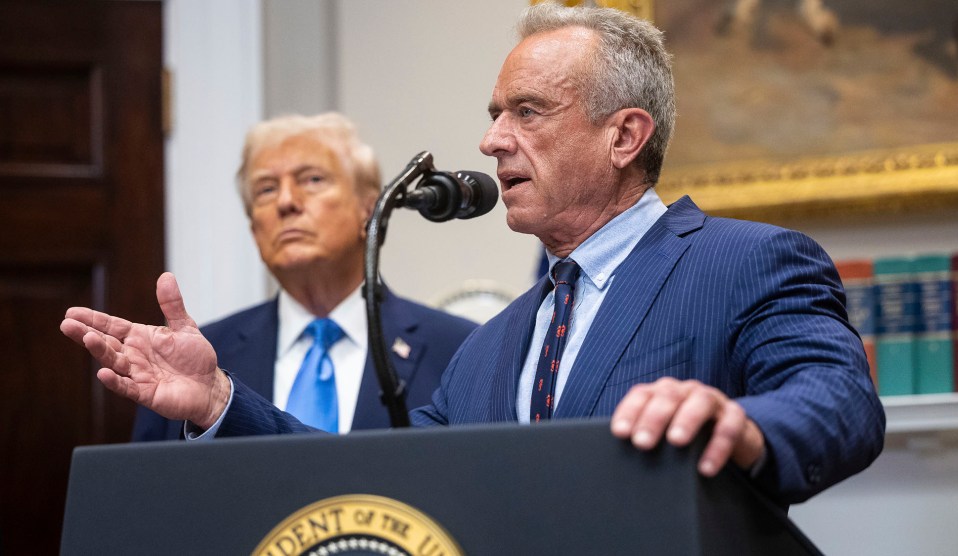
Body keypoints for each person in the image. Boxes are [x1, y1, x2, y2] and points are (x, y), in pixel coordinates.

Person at [61, 4, 884, 505]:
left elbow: (839, 401)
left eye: (528, 112)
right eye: (495, 113)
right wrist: (215, 402)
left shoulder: (746, 263)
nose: (492, 141)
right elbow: (376, 479)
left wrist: (741, 425)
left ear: (624, 135)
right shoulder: (490, 346)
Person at [131, 112, 477, 440]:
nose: (286, 202)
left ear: (369, 209)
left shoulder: (461, 349)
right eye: (266, 189)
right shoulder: (195, 362)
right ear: (255, 229)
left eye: (312, 179)